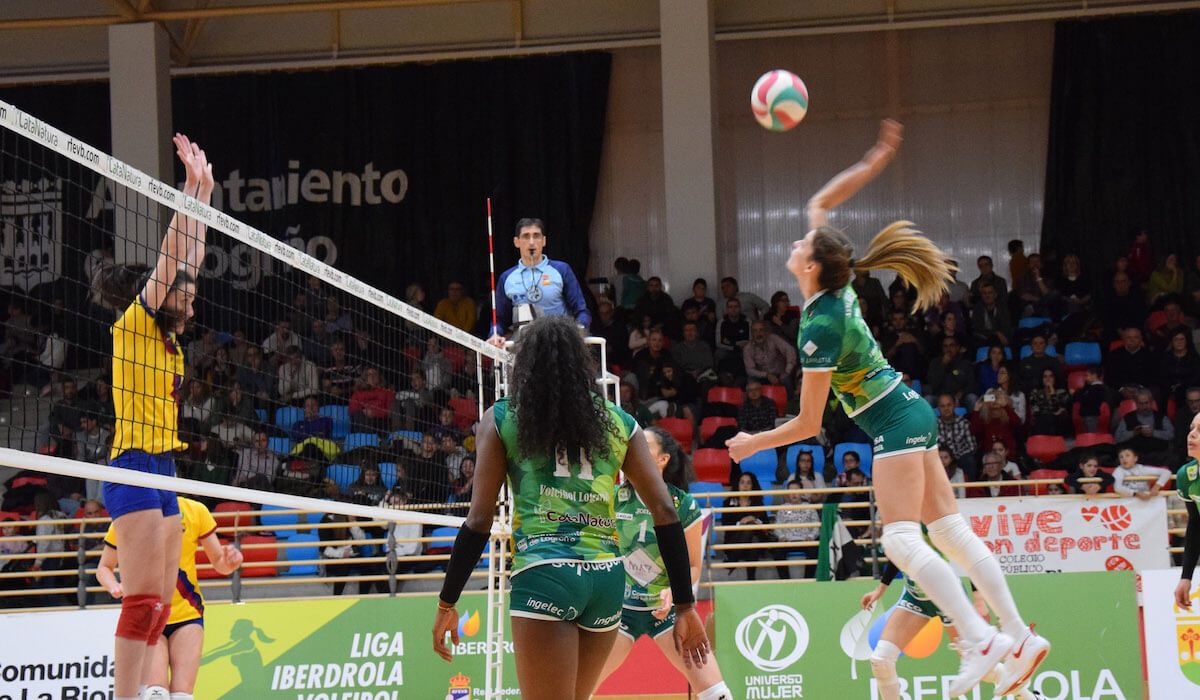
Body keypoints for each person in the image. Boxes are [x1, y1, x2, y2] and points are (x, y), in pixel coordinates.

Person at [724, 120, 1046, 696]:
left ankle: (981, 639)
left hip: (894, 420)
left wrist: (752, 443)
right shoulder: (839, 288)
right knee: (948, 529)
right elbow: (820, 200)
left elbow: (808, 423)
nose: (794, 245)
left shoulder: (820, 325)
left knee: (900, 539)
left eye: (801, 246)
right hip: (909, 408)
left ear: (812, 267)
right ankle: (1019, 634)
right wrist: (875, 159)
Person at [432, 316, 709, 700]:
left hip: (545, 570)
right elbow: (665, 509)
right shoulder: (619, 422)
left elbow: (479, 519)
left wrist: (448, 601)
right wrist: (685, 604)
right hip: (607, 578)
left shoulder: (502, 417)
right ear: (582, 364)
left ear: (525, 363)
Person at [94, 134, 213, 700]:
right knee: (143, 603)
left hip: (163, 467)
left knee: (160, 605)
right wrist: (186, 190)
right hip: (133, 465)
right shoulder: (136, 325)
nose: (190, 301)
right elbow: (172, 260)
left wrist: (205, 193)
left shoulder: (167, 339)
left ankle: (147, 692)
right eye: (180, 297)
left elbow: (189, 263)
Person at [598, 427, 731, 699]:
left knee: (718, 693)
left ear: (663, 459)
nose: (634, 451)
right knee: (575, 689)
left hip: (670, 614)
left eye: (644, 446)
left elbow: (694, 565)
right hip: (618, 611)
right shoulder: (611, 498)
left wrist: (677, 593)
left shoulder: (682, 504)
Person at [96, 496, 243, 700]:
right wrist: (114, 586)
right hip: (148, 615)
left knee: (182, 695)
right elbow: (104, 567)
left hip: (187, 614)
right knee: (157, 694)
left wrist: (230, 561)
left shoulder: (195, 510)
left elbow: (219, 562)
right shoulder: (129, 512)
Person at [861, 560, 1039, 700]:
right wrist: (880, 589)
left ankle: (1027, 695)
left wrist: (979, 600)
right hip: (916, 598)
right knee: (881, 660)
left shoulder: (928, 520)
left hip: (948, 597)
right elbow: (896, 554)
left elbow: (969, 555)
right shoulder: (896, 524)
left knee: (983, 670)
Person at [489, 218, 592, 345]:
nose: (531, 242)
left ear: (544, 241)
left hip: (560, 347)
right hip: (524, 350)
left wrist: (579, 330)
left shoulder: (561, 270)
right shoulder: (507, 277)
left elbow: (581, 310)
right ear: (516, 242)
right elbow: (499, 319)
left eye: (536, 236)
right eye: (526, 236)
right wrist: (495, 334)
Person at [1171, 413, 1200, 611]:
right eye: (1192, 428)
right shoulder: (1187, 476)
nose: (1192, 435)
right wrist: (1186, 576)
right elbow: (1196, 524)